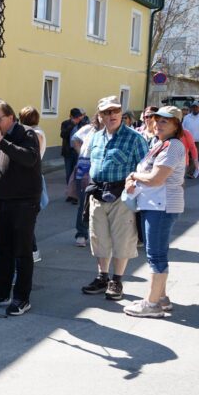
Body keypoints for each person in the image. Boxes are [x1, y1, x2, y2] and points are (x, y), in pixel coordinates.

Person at [0, 100, 41, 316]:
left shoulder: (26, 133)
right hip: (2, 200)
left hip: (24, 201)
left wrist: (1, 141)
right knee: (4, 249)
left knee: (22, 251)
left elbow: (29, 158)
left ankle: (22, 298)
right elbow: (0, 166)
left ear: (11, 117)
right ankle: (2, 292)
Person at [80, 96, 148, 301]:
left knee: (123, 239)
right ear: (100, 116)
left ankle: (116, 280)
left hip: (123, 195)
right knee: (98, 237)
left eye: (116, 110)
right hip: (98, 193)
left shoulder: (135, 138)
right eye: (107, 112)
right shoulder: (95, 137)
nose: (112, 115)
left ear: (121, 113)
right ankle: (102, 277)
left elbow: (146, 168)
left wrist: (136, 189)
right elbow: (90, 163)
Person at [123, 106, 186, 317]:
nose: (158, 124)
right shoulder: (161, 144)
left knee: (156, 255)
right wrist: (135, 180)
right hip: (154, 204)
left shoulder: (173, 146)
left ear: (176, 125)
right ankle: (161, 298)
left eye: (164, 121)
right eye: (156, 120)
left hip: (161, 206)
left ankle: (151, 304)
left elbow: (156, 179)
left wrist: (133, 176)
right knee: (156, 252)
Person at [71, 111, 104, 247]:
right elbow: (75, 139)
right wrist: (81, 154)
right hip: (84, 171)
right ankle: (81, 234)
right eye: (102, 114)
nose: (105, 117)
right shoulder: (89, 129)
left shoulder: (113, 132)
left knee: (101, 204)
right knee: (84, 203)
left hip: (101, 172)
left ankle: (99, 236)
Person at [19, 106, 47, 263]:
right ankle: (31, 250)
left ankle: (33, 250)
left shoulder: (34, 134)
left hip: (30, 179)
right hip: (32, 177)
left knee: (27, 219)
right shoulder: (36, 132)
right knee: (26, 218)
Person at [60, 107, 86, 199]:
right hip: (68, 151)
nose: (77, 119)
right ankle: (69, 193)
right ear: (71, 117)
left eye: (78, 117)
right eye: (75, 117)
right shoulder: (65, 123)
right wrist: (71, 125)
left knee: (77, 174)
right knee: (68, 173)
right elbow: (63, 135)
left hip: (78, 151)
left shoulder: (82, 124)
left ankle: (76, 195)